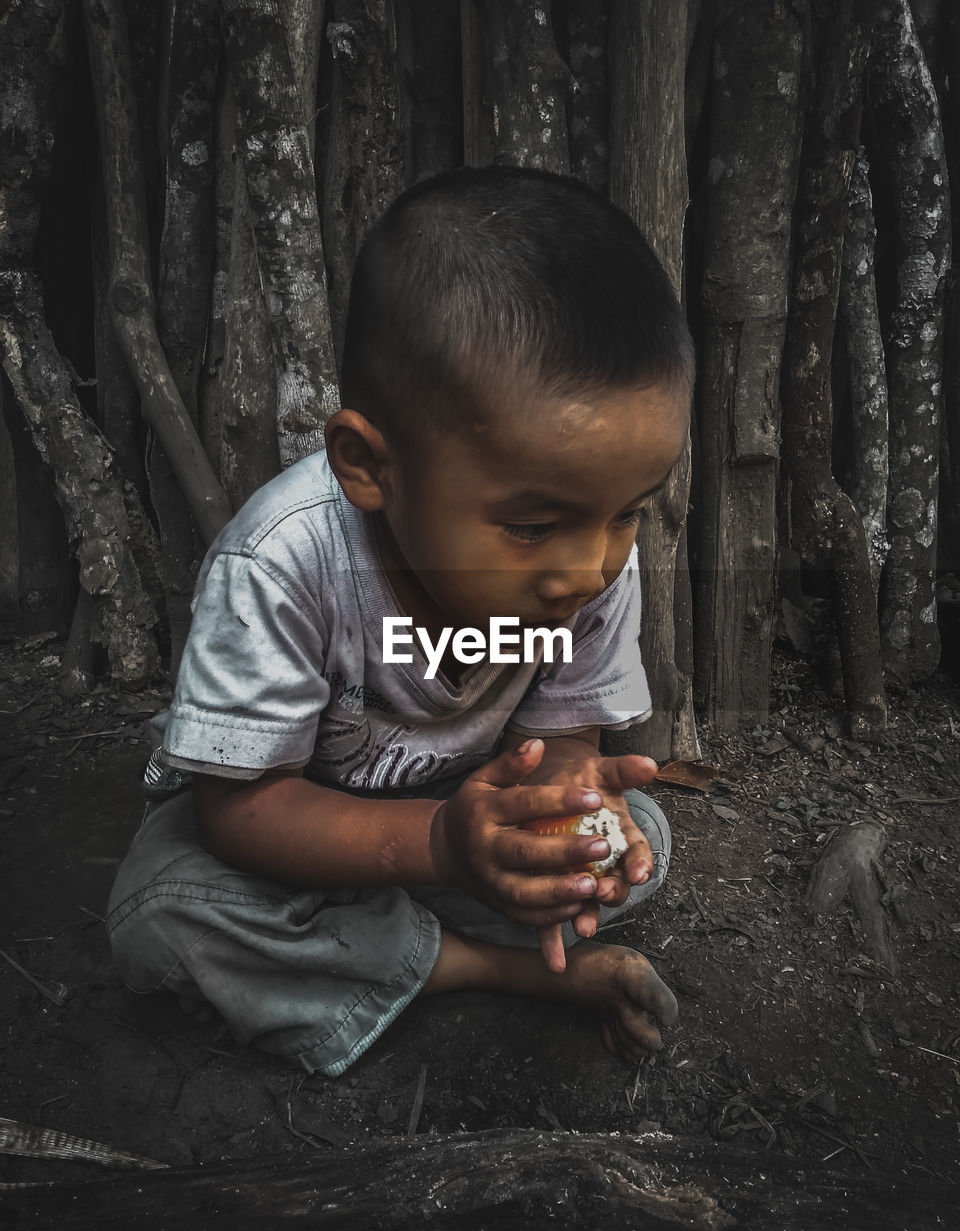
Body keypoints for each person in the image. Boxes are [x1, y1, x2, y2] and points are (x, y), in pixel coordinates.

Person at [106, 166, 693, 1078]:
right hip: (291, 822)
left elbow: (568, 731)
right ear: (368, 465)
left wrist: (573, 805)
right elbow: (241, 808)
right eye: (531, 527)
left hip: (467, 815)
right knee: (166, 912)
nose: (587, 567)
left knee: (640, 837)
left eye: (628, 514)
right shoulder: (281, 565)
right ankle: (502, 971)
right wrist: (438, 846)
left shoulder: (587, 550)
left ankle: (404, 946)